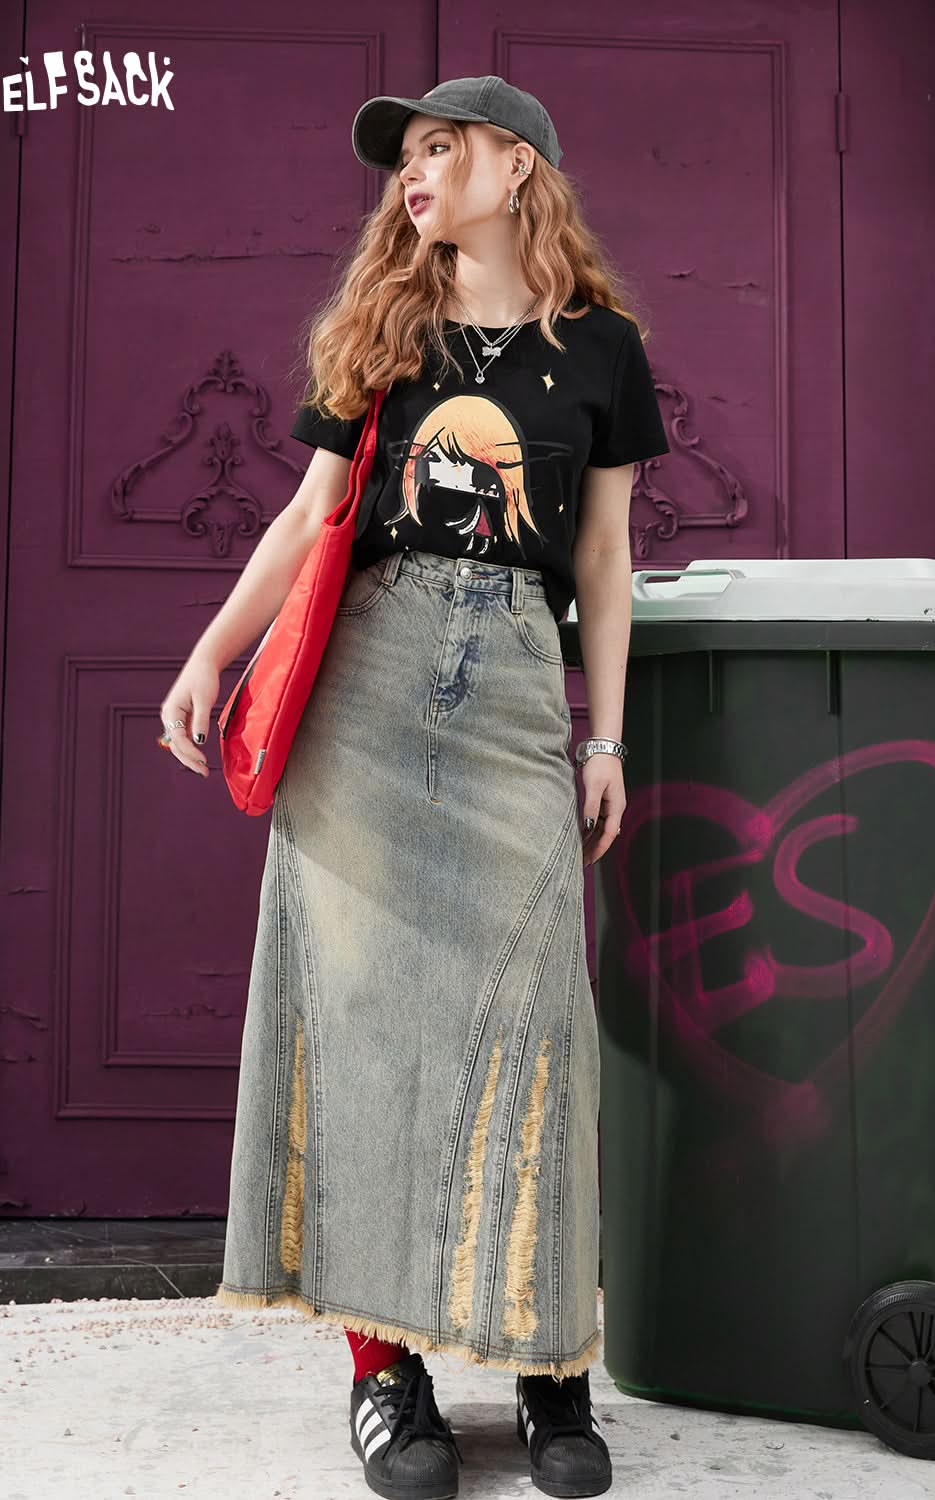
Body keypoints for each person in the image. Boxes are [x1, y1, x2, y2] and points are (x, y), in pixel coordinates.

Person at [159, 75, 669, 1500]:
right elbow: (311, 513)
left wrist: (604, 739)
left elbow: (605, 565)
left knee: (532, 1036)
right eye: (409, 157)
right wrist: (212, 654)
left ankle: (555, 1375)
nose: (416, 175)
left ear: (519, 167)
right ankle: (389, 1383)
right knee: (374, 1034)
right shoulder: (383, 332)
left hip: (512, 687)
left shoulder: (606, 352)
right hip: (366, 697)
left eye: (444, 150)